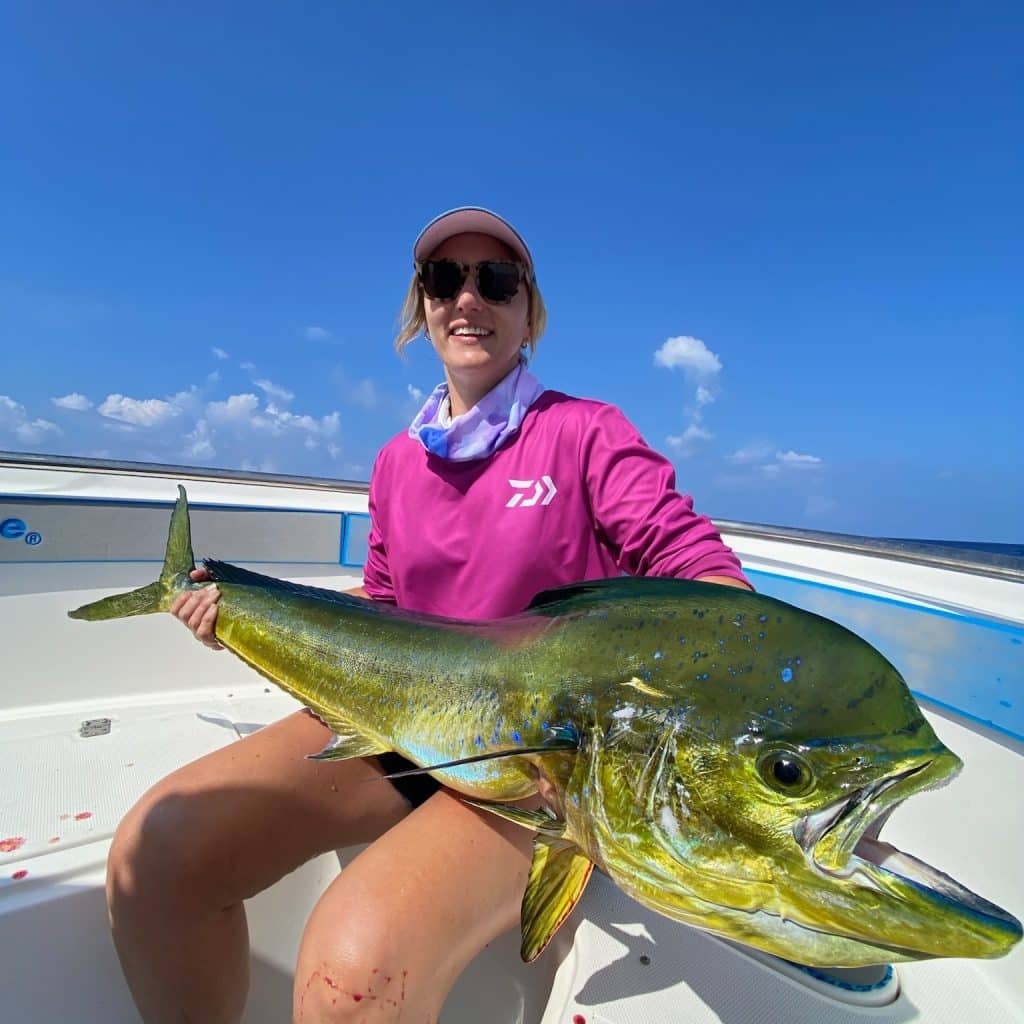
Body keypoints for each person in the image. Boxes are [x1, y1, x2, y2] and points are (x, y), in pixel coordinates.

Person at [105, 206, 752, 1024]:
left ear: (528, 312)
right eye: (445, 279)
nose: (468, 298)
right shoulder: (395, 462)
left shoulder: (586, 434)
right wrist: (239, 613)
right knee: (153, 854)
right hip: (399, 725)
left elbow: (699, 571)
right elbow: (383, 605)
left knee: (353, 969)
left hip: (535, 774)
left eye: (497, 280)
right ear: (424, 306)